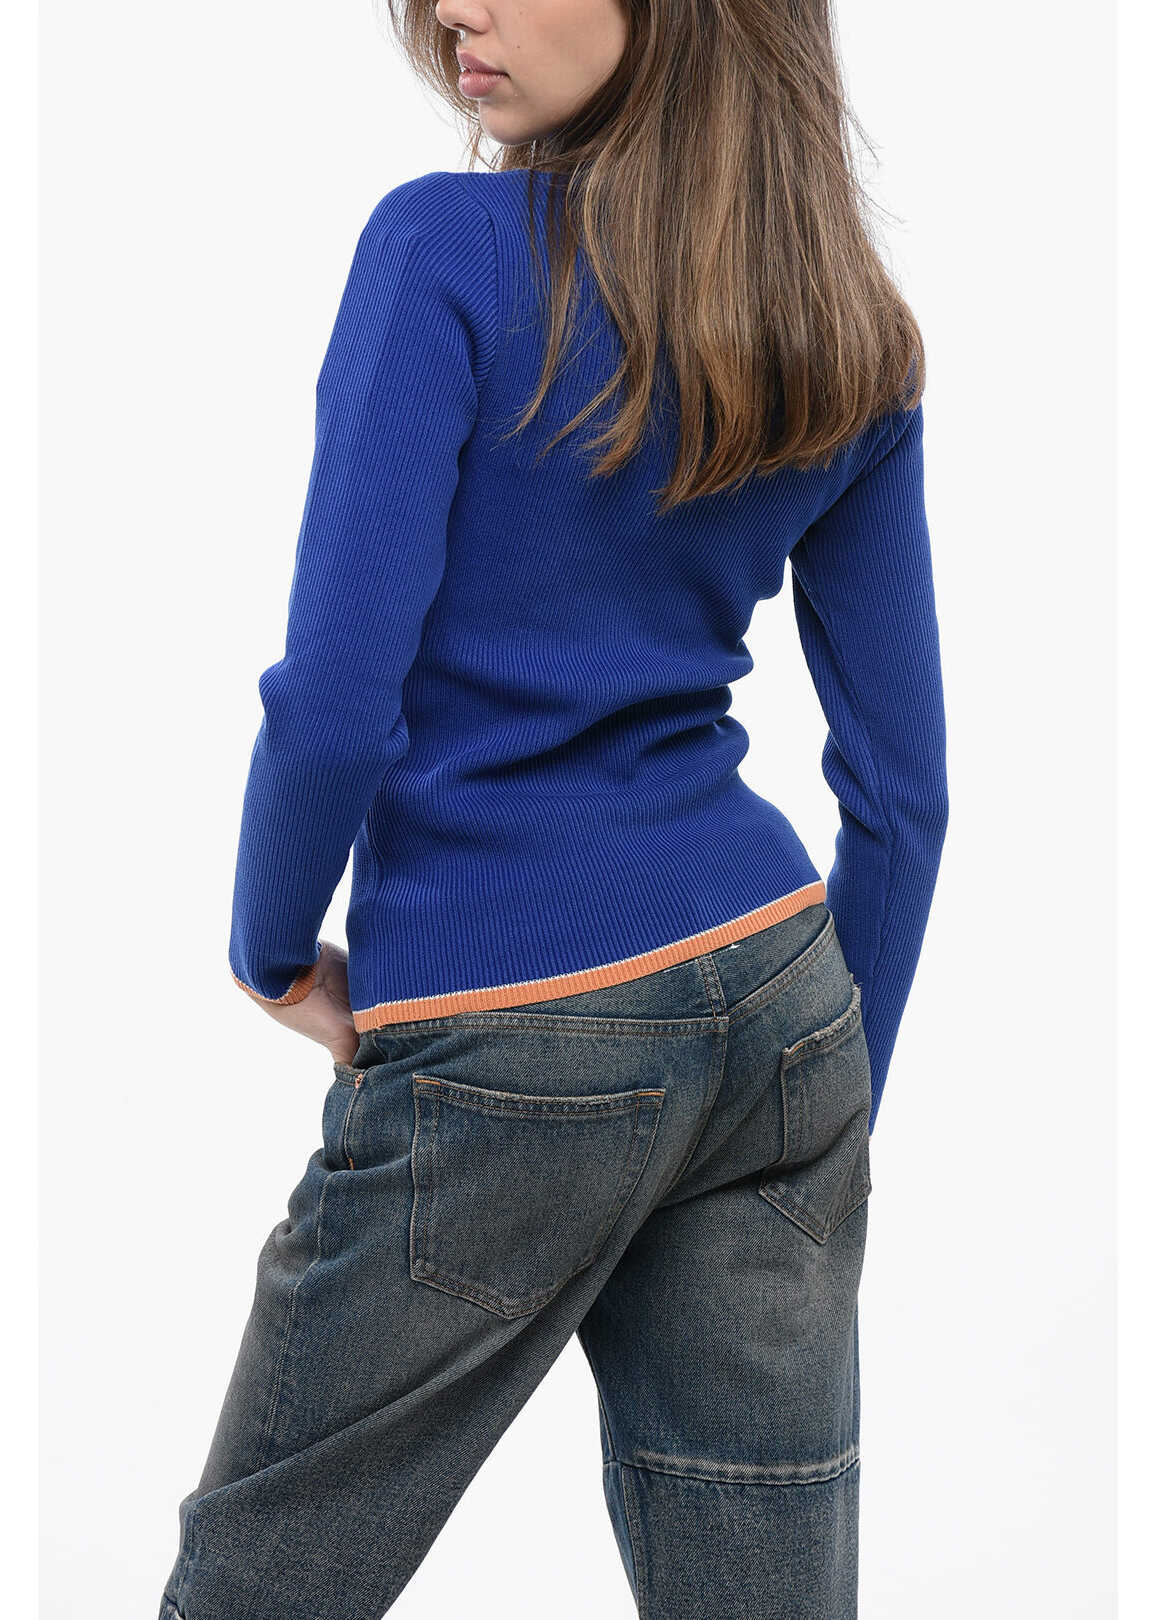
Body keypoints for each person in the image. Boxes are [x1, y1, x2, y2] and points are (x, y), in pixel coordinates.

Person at [157, 1, 948, 1615]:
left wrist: (269, 945)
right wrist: (825, 1094)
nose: (457, 7)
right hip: (780, 991)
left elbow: (336, 699)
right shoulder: (845, 325)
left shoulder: (442, 250)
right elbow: (902, 790)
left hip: (515, 1018)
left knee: (255, 1586)